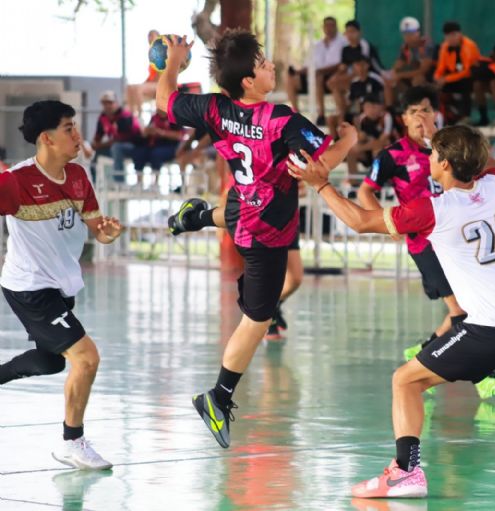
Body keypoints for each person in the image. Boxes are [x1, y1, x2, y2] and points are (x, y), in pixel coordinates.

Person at [286, 124, 495, 498]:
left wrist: (321, 185)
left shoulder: (434, 209)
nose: (429, 158)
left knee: (405, 381)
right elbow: (489, 162)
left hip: (494, 327)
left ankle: (405, 472)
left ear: (445, 164)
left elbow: (360, 221)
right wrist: (451, 139)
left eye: (433, 154)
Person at [156, 29, 357, 448]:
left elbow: (164, 101)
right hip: (265, 232)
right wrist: (349, 141)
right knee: (258, 320)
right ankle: (218, 396)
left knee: (236, 210)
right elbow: (320, 166)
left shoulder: (214, 108)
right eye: (263, 63)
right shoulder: (281, 119)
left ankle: (196, 216)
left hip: (243, 205)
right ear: (248, 80)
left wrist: (171, 63)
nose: (272, 65)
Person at [357, 86, 495, 400]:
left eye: (427, 110)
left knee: (465, 305)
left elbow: (482, 168)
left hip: (455, 240)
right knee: (461, 309)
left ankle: (422, 352)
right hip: (425, 242)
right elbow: (366, 190)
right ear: (404, 119)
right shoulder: (392, 155)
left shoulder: (448, 149)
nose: (421, 117)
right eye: (414, 112)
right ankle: (483, 378)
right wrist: (386, 224)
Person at [0, 100, 123, 469]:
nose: (77, 135)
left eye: (75, 126)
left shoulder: (78, 177)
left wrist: (108, 233)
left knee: (51, 362)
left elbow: (97, 230)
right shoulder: (16, 182)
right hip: (30, 287)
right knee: (86, 358)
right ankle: (73, 442)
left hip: (62, 287)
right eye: (69, 128)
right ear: (47, 138)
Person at [283, 16, 347, 124]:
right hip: (312, 77)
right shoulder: (317, 45)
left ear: (336, 27)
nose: (329, 28)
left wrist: (320, 71)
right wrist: (297, 71)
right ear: (323, 27)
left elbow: (341, 64)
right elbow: (308, 65)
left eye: (331, 25)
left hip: (331, 77)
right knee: (290, 78)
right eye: (327, 26)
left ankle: (321, 114)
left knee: (318, 77)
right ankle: (296, 115)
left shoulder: (342, 43)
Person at [328, 20, 386, 124]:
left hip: (370, 76)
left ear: (359, 32)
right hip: (355, 79)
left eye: (353, 31)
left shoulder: (364, 46)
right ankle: (342, 113)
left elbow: (362, 68)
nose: (350, 35)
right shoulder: (346, 49)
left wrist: (345, 78)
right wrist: (335, 78)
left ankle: (344, 114)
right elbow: (343, 68)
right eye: (348, 32)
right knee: (334, 85)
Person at [433, 21, 481, 125]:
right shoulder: (445, 47)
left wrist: (446, 79)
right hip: (453, 77)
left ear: (459, 34)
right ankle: (444, 116)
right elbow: (440, 67)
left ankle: (466, 117)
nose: (450, 38)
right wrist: (437, 78)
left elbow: (467, 71)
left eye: (453, 34)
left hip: (469, 78)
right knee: (436, 88)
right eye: (447, 35)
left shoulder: (468, 46)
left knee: (465, 84)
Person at [91, 90, 142, 184]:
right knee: (97, 153)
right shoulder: (103, 118)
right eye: (105, 103)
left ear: (116, 103)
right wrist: (95, 144)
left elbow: (124, 138)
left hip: (134, 147)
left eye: (110, 103)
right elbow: (97, 138)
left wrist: (104, 144)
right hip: (113, 147)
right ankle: (94, 183)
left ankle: (119, 183)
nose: (107, 106)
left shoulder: (125, 116)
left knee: (116, 147)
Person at [132, 109, 186, 188]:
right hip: (154, 145)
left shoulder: (174, 118)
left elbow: (179, 135)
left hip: (170, 147)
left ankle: (155, 183)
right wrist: (147, 132)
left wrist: (161, 133)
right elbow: (146, 132)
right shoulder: (154, 117)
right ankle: (139, 182)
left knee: (156, 154)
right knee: (140, 152)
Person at [346, 95, 394, 178]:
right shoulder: (362, 118)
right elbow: (359, 137)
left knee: (378, 150)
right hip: (368, 148)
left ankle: (378, 179)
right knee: (350, 150)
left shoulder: (386, 117)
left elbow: (383, 139)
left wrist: (362, 147)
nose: (369, 110)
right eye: (366, 107)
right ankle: (353, 180)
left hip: (385, 148)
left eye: (372, 107)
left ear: (379, 107)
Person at [391, 17, 434, 94]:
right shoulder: (405, 47)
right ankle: (402, 100)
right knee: (390, 80)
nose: (408, 36)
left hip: (430, 76)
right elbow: (397, 65)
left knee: (418, 79)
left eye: (411, 33)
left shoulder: (426, 45)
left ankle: (417, 100)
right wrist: (394, 73)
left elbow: (424, 70)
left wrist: (401, 75)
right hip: (411, 75)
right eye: (405, 34)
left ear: (418, 32)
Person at [125, 29, 162, 116]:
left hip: (161, 84)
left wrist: (146, 84)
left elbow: (160, 75)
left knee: (138, 89)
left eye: (152, 35)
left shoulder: (162, 52)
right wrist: (145, 83)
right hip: (153, 83)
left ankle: (139, 116)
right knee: (130, 88)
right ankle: (131, 116)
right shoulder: (152, 53)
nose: (150, 38)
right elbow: (152, 76)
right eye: (149, 36)